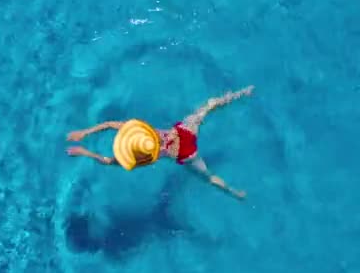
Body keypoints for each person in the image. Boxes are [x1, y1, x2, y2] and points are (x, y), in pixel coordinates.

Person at [66, 85, 255, 200]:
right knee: (208, 107)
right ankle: (242, 93)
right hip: (184, 132)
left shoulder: (146, 158)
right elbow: (109, 124)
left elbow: (108, 160)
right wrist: (84, 132)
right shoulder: (149, 132)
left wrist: (85, 151)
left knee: (209, 178)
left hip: (187, 156)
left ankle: (235, 193)